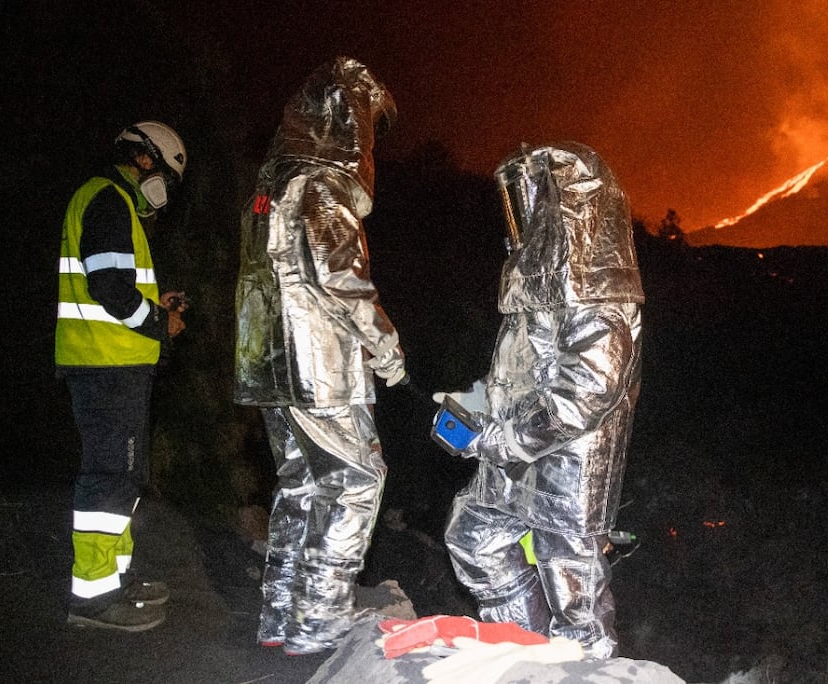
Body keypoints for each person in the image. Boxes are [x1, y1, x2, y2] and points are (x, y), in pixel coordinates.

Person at [438, 142, 645, 659]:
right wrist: (477, 404)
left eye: (526, 199)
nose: (516, 217)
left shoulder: (598, 295)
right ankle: (525, 648)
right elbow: (518, 371)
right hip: (513, 461)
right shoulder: (540, 288)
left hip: (568, 470)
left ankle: (585, 667)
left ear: (566, 207)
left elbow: (583, 395)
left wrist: (499, 436)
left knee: (573, 588)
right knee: (473, 538)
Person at [233, 56, 405, 655]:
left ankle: (281, 614)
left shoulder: (271, 187)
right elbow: (341, 278)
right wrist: (386, 345)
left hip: (267, 365)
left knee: (300, 484)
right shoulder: (321, 185)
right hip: (317, 367)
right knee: (357, 480)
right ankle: (320, 617)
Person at [55, 120, 189, 631]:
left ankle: (115, 580)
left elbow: (111, 289)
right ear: (147, 160)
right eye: (168, 182)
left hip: (112, 365)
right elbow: (110, 287)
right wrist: (160, 321)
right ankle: (90, 598)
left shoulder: (112, 203)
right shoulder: (110, 199)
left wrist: (156, 305)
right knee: (110, 477)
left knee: (123, 477)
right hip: (105, 367)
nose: (165, 197)